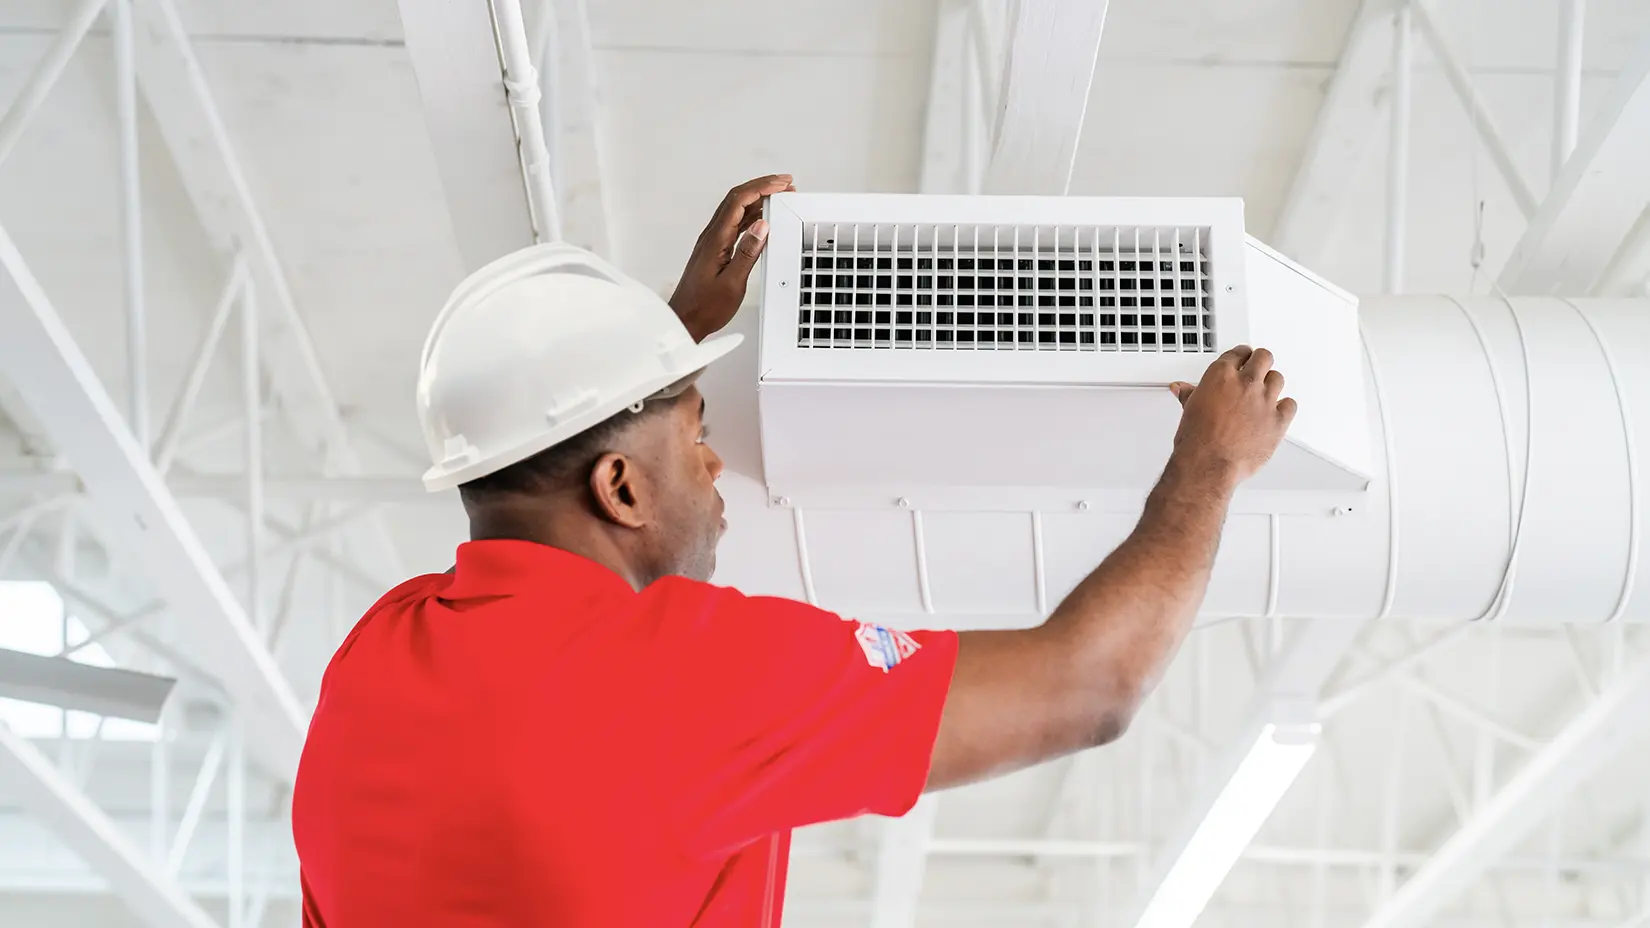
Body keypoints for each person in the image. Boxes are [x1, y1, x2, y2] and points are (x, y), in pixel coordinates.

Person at [291, 175, 1297, 928]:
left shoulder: (366, 667)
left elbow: (535, 494)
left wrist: (658, 347)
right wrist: (1210, 464)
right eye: (694, 433)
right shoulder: (690, 674)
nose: (717, 460)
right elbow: (1090, 686)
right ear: (622, 487)